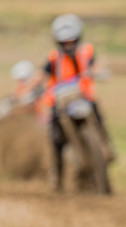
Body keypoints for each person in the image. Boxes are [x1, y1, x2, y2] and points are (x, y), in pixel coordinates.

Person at [41, 14, 115, 192]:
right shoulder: (54, 58)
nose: (68, 45)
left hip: (84, 98)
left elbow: (96, 66)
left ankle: (107, 150)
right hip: (60, 103)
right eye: (64, 42)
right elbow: (41, 76)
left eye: (71, 41)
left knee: (100, 120)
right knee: (56, 138)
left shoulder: (86, 52)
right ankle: (57, 178)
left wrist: (100, 73)